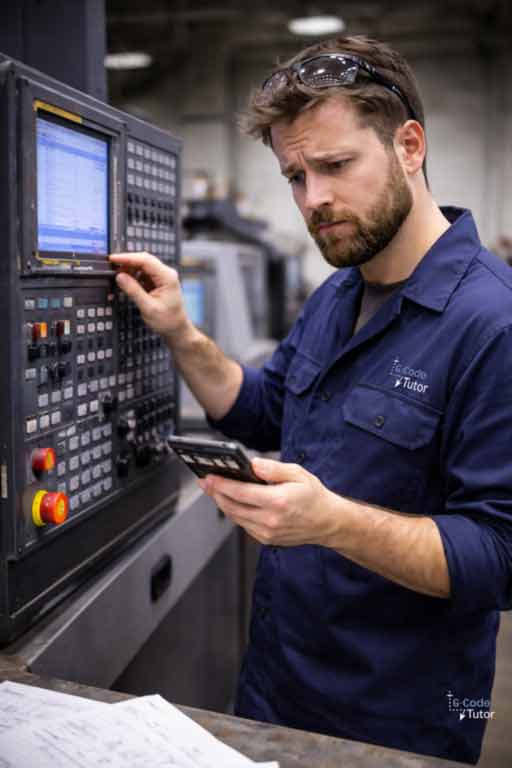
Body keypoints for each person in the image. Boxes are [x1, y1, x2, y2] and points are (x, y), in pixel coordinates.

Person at [110, 35, 512, 765]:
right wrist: (179, 331)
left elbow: (500, 553)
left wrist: (330, 522)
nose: (313, 199)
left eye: (334, 166)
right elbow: (262, 408)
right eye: (295, 175)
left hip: (396, 722)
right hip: (274, 686)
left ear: (409, 146)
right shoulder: (338, 292)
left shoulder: (493, 323)